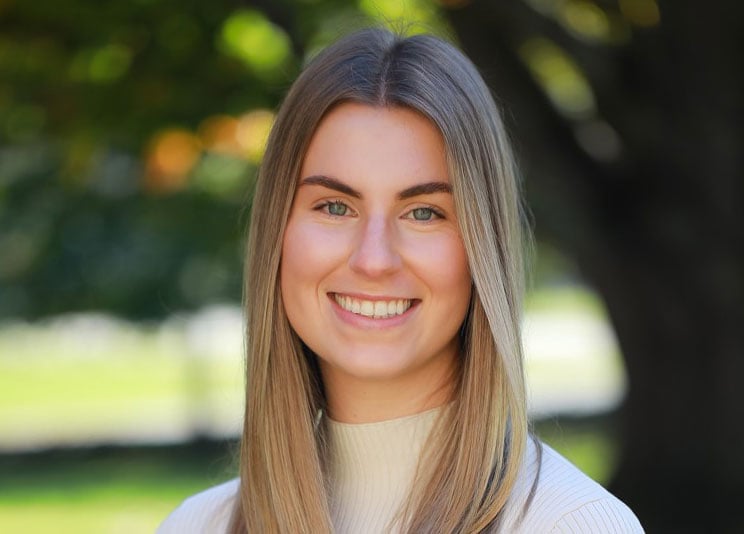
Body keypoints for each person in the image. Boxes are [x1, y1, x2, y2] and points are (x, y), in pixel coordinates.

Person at [158, 28, 643, 533]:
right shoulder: (196, 526)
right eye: (335, 206)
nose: (374, 259)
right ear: (276, 233)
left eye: (424, 213)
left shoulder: (573, 524)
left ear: (483, 245)